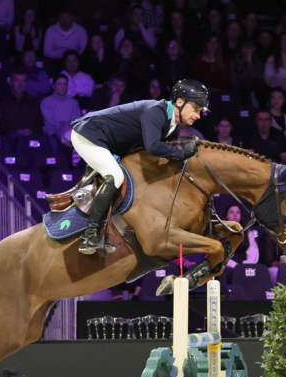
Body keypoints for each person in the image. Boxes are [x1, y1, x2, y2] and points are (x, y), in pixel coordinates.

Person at [69, 79, 207, 255]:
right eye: (196, 108)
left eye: (200, 111)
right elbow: (153, 147)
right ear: (179, 102)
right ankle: (89, 236)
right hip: (89, 135)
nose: (198, 115)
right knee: (115, 176)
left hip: (110, 144)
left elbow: (164, 155)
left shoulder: (173, 129)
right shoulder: (156, 111)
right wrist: (180, 152)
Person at [0, 71, 43, 137]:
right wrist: (17, 131)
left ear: (26, 83)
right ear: (10, 82)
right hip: (12, 135)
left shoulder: (33, 101)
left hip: (31, 134)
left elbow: (39, 122)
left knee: (43, 136)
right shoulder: (3, 102)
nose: (20, 84)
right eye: (17, 81)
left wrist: (31, 130)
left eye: (23, 81)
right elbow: (1, 124)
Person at [40, 73, 81, 142]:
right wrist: (62, 127)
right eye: (59, 84)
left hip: (70, 133)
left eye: (65, 84)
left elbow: (76, 122)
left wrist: (69, 128)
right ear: (53, 86)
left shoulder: (73, 103)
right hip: (52, 135)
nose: (63, 87)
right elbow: (51, 122)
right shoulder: (46, 102)